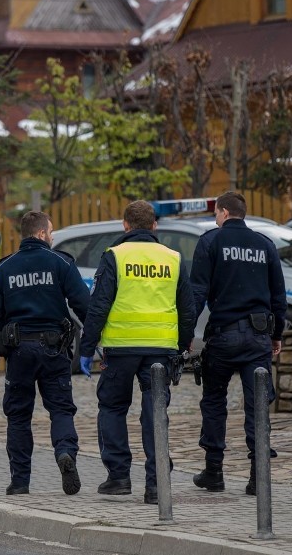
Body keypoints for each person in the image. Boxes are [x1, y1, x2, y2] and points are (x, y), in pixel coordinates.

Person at [78, 200, 196, 504]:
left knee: (113, 407)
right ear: (155, 226)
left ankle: (118, 477)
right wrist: (182, 346)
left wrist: (86, 347)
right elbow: (188, 308)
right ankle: (156, 486)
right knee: (155, 413)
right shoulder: (173, 258)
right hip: (161, 350)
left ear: (125, 225)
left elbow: (98, 306)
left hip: (120, 349)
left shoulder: (114, 256)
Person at [0, 211, 90, 496]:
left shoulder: (3, 268)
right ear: (42, 234)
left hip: (18, 351)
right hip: (54, 349)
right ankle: (64, 453)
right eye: (52, 232)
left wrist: (11, 324)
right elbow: (83, 305)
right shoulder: (61, 263)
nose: (53, 237)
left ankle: (20, 482)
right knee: (61, 409)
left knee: (19, 416)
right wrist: (92, 340)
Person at [189, 191, 287, 496]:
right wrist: (277, 335)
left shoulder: (211, 242)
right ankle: (259, 476)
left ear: (223, 212)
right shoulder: (264, 244)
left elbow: (196, 294)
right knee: (257, 405)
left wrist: (183, 337)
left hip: (223, 336)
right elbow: (278, 297)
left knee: (214, 402)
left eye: (216, 213)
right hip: (258, 337)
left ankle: (214, 472)